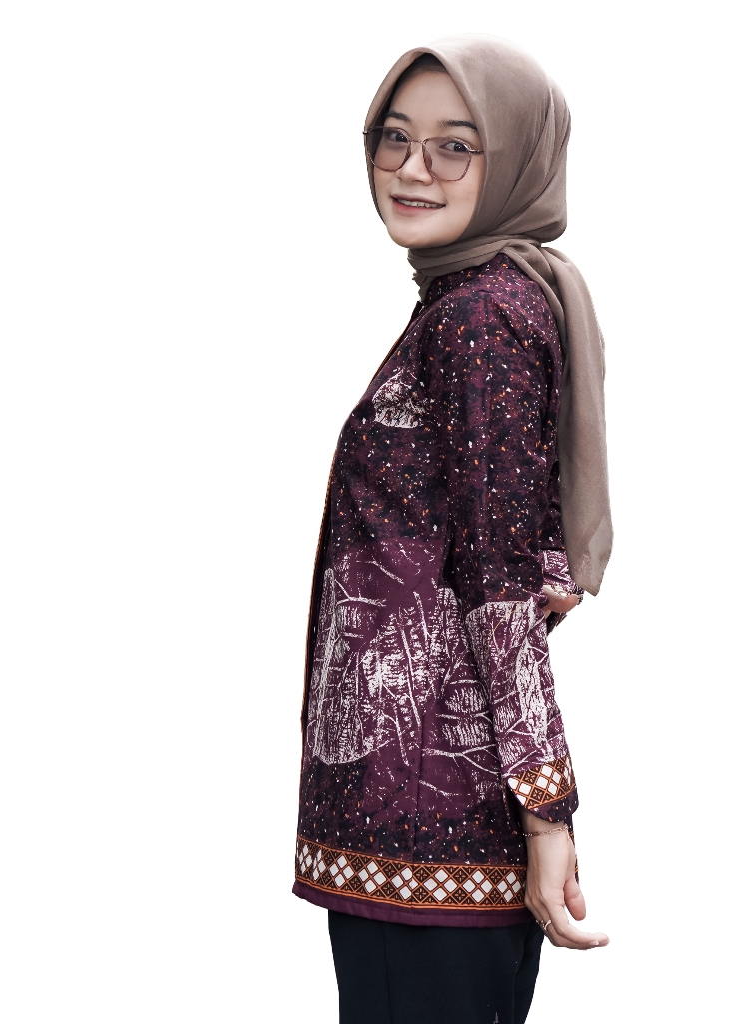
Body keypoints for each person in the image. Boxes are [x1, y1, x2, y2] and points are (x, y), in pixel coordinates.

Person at [293, 35, 613, 1024]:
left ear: (513, 157)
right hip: (422, 832)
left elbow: (499, 585)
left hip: (431, 836)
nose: (412, 169)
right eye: (394, 138)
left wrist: (549, 810)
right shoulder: (469, 304)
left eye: (455, 146)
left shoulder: (480, 320)